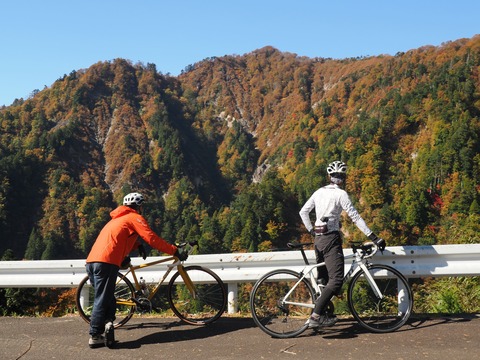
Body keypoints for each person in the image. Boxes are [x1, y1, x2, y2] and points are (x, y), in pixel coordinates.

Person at [85, 192, 188, 348]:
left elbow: (117, 239)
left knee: (106, 297)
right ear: (139, 207)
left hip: (92, 262)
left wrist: (136, 245)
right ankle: (94, 335)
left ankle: (108, 326)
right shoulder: (134, 217)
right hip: (107, 262)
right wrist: (174, 250)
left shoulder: (117, 219)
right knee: (102, 299)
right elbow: (151, 238)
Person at [299, 161, 385, 328]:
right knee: (337, 279)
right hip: (330, 239)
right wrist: (373, 237)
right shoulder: (341, 195)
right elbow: (355, 217)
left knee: (323, 279)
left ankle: (324, 311)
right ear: (343, 178)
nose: (339, 178)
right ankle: (316, 317)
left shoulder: (319, 192)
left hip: (318, 240)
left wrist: (311, 230)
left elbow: (303, 212)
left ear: (329, 177)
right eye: (340, 176)